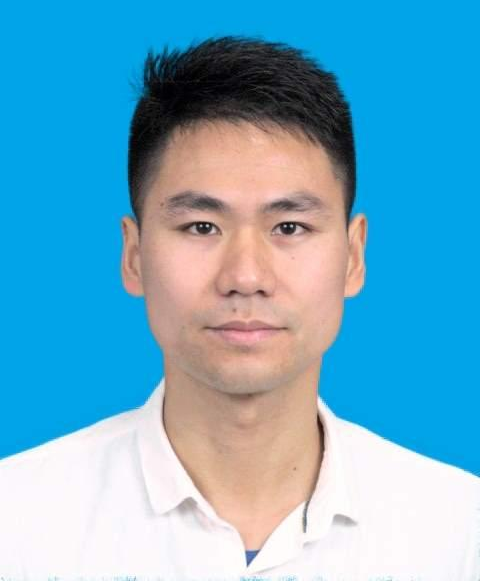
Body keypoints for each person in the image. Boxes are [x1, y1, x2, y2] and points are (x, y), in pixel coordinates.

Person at [0, 36, 478, 581]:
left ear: (353, 256)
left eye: (289, 227)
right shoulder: (18, 524)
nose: (246, 278)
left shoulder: (457, 533)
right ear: (133, 256)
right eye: (201, 227)